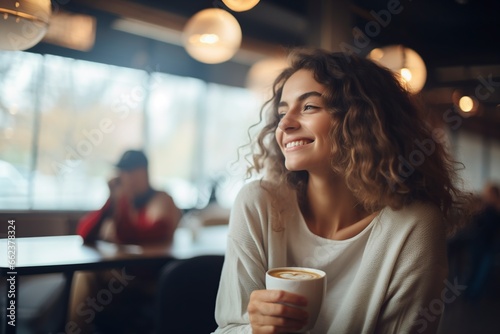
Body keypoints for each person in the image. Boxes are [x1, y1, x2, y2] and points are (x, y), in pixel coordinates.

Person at [213, 49, 471, 334]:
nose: (284, 124)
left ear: (363, 119)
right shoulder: (259, 203)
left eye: (309, 107)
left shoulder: (413, 226)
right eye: (282, 112)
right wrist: (255, 330)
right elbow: (228, 328)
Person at [70, 149, 182, 333]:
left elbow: (135, 235)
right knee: (82, 275)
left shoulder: (161, 199)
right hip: (122, 273)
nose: (124, 176)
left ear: (143, 172)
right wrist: (110, 201)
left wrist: (120, 199)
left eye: (130, 171)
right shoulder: (124, 200)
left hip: (148, 278)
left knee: (86, 276)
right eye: (122, 171)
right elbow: (84, 232)